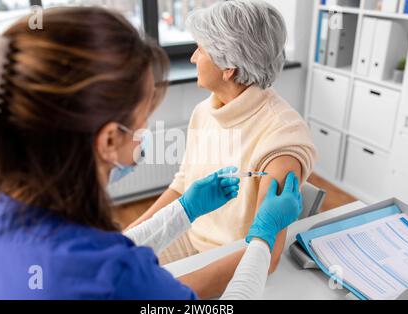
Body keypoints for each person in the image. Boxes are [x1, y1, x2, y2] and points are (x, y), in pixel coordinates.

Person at [0, 6, 303, 300]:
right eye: (142, 118)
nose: (145, 134)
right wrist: (263, 235)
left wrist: (185, 209)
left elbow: (101, 254)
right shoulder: (120, 277)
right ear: (109, 140)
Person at [128, 0, 316, 295]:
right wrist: (121, 241)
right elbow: (181, 187)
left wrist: (165, 295)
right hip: (187, 234)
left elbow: (268, 257)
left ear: (228, 67)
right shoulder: (206, 110)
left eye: (200, 49)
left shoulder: (281, 136)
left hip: (230, 260)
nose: (192, 58)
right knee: (115, 266)